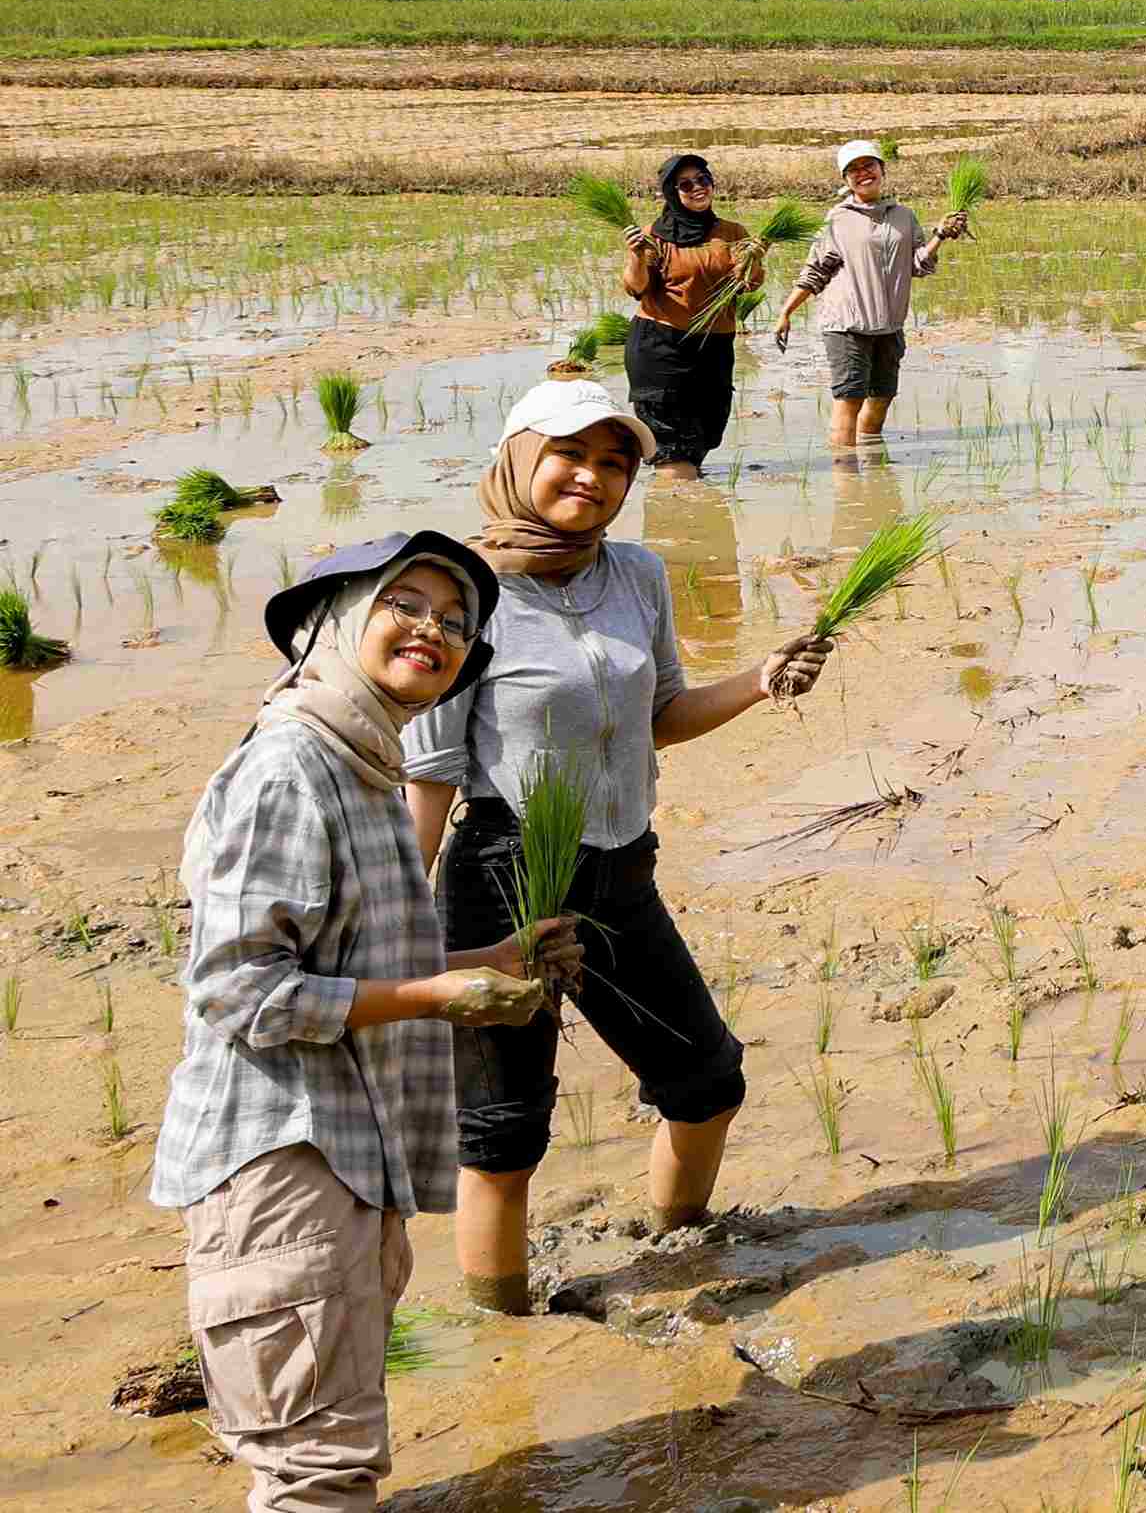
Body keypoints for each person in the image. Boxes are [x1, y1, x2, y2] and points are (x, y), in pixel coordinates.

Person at [152, 532, 570, 1513]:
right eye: (408, 602)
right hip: (280, 1162)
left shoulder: (360, 765)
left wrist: (490, 960)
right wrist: (436, 998)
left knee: (321, 1451)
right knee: (317, 1476)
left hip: (337, 1156)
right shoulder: (292, 766)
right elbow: (239, 991)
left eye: (458, 620)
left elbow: (352, 967)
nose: (437, 628)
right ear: (328, 625)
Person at [403, 382, 835, 1315]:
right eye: (572, 455)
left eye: (615, 463)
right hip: (506, 880)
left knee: (707, 1081)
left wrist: (762, 680)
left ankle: (679, 1252)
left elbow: (661, 716)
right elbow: (432, 772)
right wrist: (398, 930)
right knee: (503, 1136)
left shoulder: (636, 574)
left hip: (621, 869)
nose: (593, 479)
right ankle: (505, 1336)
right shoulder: (455, 592)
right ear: (519, 457)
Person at [771, 140, 969, 452]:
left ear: (882, 169)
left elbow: (918, 265)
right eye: (853, 170)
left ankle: (873, 474)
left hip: (889, 325)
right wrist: (785, 312)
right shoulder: (837, 219)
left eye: (869, 166)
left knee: (881, 398)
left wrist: (940, 235)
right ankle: (846, 480)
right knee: (850, 399)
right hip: (846, 325)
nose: (863, 173)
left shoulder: (903, 215)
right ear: (845, 180)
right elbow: (815, 272)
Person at [617, 152, 757, 477]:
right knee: (672, 454)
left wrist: (753, 259)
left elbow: (748, 284)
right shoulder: (653, 235)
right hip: (661, 350)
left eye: (703, 179)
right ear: (671, 193)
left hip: (714, 350)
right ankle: (679, 514)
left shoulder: (733, 232)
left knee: (703, 439)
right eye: (685, 184)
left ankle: (687, 521)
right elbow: (637, 288)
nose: (697, 188)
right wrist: (636, 256)